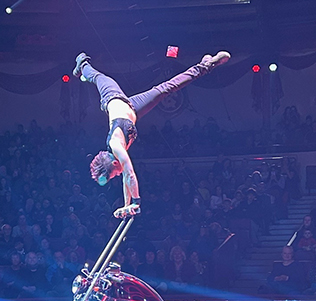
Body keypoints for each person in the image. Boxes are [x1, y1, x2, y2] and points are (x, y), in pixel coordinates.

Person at [75, 50, 231, 218]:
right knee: (166, 89)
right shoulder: (118, 155)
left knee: (97, 77)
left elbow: (129, 174)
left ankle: (82, 63)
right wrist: (126, 207)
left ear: (113, 164)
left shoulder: (116, 146)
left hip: (112, 97)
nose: (118, 174)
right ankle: (204, 65)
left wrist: (136, 202)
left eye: (115, 174)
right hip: (133, 108)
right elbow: (126, 177)